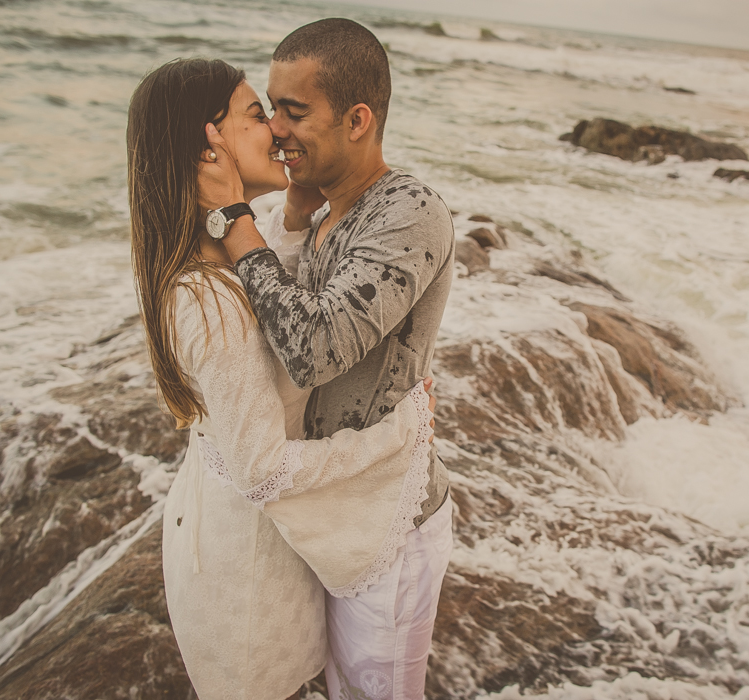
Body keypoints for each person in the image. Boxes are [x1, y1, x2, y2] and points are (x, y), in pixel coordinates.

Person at [127, 58, 436, 700]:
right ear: (206, 147)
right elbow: (263, 468)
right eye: (253, 114)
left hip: (236, 541)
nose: (274, 128)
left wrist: (294, 208)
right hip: (245, 587)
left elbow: (272, 302)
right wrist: (395, 438)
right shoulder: (207, 300)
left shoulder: (208, 259)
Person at [197, 18, 456, 699]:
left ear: (358, 119)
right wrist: (285, 210)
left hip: (390, 528)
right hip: (330, 510)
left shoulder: (409, 210)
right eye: (271, 109)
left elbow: (314, 351)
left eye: (295, 110)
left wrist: (234, 217)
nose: (276, 128)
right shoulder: (320, 212)